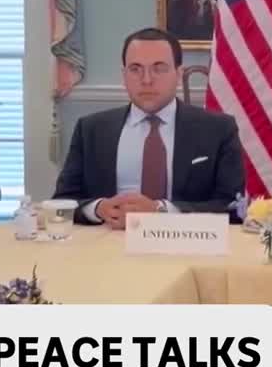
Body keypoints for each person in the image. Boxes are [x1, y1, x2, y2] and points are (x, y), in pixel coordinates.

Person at [52, 28, 245, 228]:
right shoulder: (91, 129)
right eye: (135, 69)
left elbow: (231, 207)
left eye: (159, 68)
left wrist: (161, 211)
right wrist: (98, 208)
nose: (146, 80)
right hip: (108, 247)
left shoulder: (218, 130)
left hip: (187, 248)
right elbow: (62, 202)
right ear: (123, 75)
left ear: (178, 74)